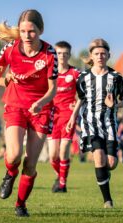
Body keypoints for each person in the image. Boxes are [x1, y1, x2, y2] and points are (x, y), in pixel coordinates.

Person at [0, 9, 58, 217]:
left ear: (41, 31)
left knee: (30, 163)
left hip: (41, 109)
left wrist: (41, 102)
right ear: (18, 31)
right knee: (13, 156)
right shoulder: (10, 49)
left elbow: (52, 89)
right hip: (15, 105)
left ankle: (20, 204)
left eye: (32, 31)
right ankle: (10, 174)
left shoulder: (49, 53)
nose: (27, 36)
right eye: (23, 31)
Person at [66, 38, 123, 208]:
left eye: (103, 53)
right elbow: (80, 99)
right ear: (91, 56)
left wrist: (115, 104)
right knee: (98, 157)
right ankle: (107, 201)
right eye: (97, 54)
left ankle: (103, 175)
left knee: (111, 163)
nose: (100, 56)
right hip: (90, 123)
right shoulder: (83, 77)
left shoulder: (115, 77)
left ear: (108, 55)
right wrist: (73, 117)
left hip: (110, 125)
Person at [47, 41, 80, 193]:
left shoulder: (75, 73)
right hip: (52, 116)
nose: (62, 56)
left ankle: (62, 184)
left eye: (65, 54)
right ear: (55, 54)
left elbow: (83, 95)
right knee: (53, 156)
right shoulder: (48, 73)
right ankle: (60, 176)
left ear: (69, 55)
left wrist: (75, 112)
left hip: (68, 115)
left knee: (64, 149)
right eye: (59, 53)